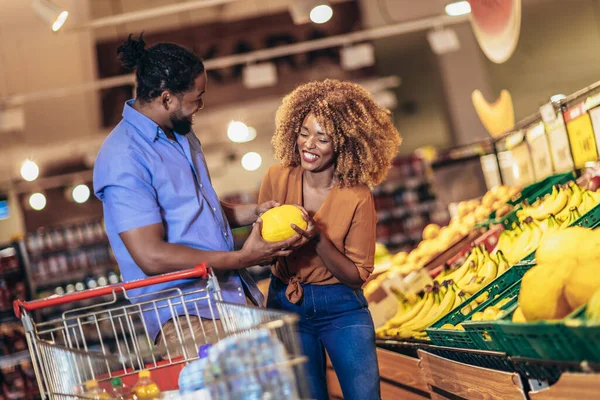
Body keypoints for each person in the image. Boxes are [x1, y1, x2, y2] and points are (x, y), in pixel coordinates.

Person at [93, 33, 300, 359]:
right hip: (186, 315)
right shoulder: (123, 157)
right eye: (196, 98)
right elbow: (150, 256)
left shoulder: (180, 137)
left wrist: (253, 212)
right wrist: (242, 258)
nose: (199, 107)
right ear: (166, 99)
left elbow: (195, 210)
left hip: (230, 297)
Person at [258, 79, 402, 400]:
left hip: (341, 308)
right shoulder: (276, 177)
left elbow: (356, 276)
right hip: (286, 303)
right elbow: (262, 248)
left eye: (323, 138)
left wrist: (316, 239)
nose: (309, 144)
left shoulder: (357, 197)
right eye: (304, 132)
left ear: (345, 144)